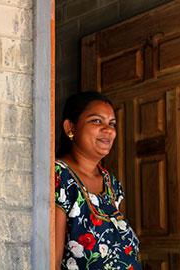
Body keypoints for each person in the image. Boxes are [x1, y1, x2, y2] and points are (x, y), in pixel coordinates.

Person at [55, 91, 141, 270]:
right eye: (96, 120)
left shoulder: (112, 184)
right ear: (70, 128)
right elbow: (51, 260)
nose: (108, 130)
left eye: (112, 123)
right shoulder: (59, 176)